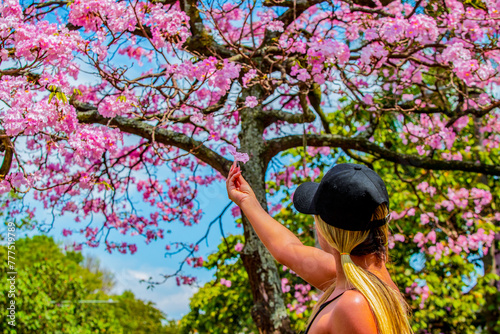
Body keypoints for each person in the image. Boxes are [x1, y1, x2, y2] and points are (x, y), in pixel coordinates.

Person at [226, 162, 413, 334]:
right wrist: (246, 200)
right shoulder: (356, 276)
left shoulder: (354, 304)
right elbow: (288, 249)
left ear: (327, 231)